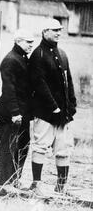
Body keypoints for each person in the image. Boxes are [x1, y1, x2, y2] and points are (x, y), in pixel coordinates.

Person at [28, 19, 77, 196]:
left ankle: (61, 186)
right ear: (44, 31)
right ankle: (36, 184)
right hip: (45, 113)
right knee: (41, 146)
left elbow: (68, 81)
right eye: (55, 30)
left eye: (60, 30)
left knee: (64, 149)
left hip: (63, 115)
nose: (58, 33)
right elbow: (39, 84)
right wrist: (53, 108)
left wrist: (71, 105)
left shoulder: (62, 54)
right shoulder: (38, 54)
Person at [0, 28, 35, 192]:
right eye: (28, 42)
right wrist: (15, 113)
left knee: (22, 145)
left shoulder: (22, 58)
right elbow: (9, 89)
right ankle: (3, 182)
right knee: (8, 146)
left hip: (23, 112)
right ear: (18, 41)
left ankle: (14, 179)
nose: (31, 46)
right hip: (12, 113)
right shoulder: (11, 60)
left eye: (32, 43)